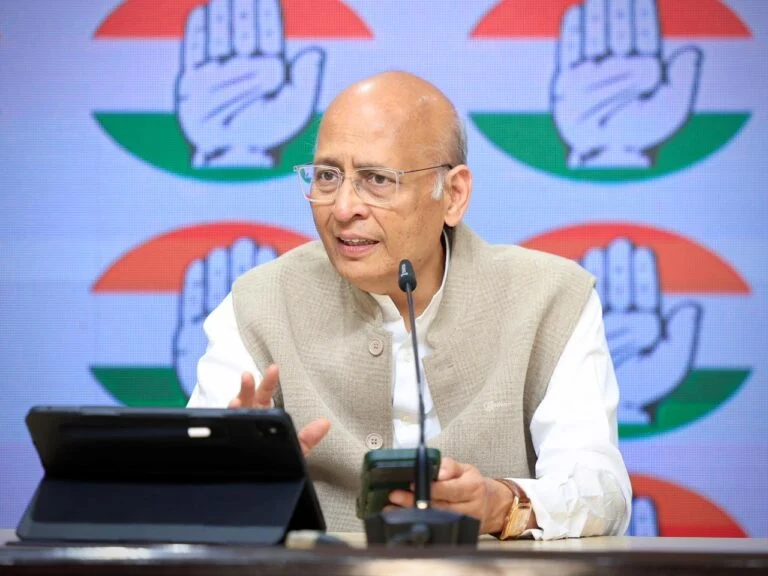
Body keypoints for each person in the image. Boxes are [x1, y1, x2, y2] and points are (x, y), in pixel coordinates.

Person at [187, 71, 632, 538]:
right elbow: (187, 491)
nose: (343, 208)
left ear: (453, 195)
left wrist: (503, 505)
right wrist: (236, 473)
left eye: (377, 180)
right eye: (327, 176)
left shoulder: (550, 298)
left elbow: (600, 490)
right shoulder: (258, 303)